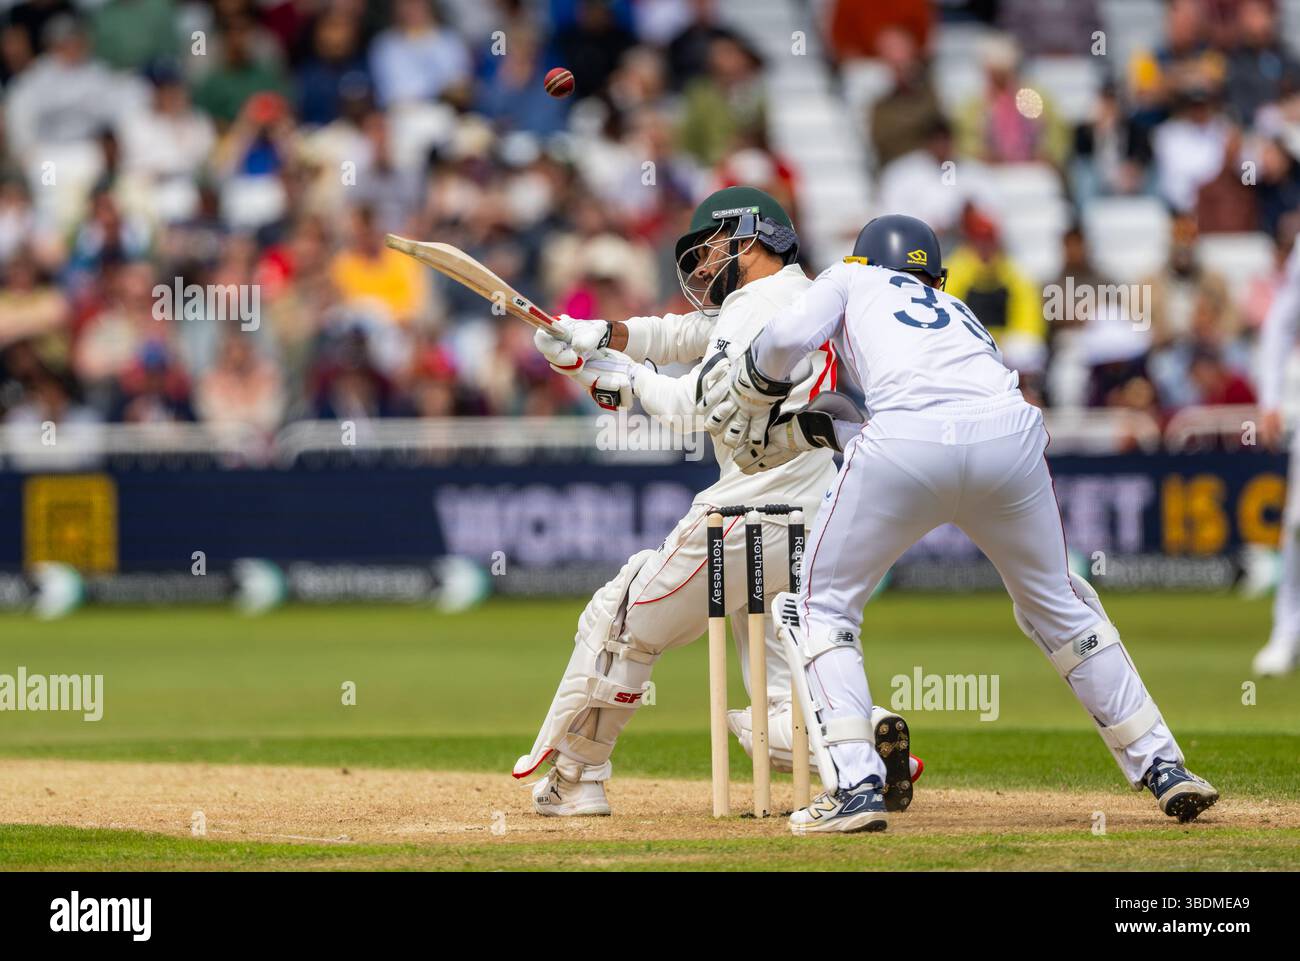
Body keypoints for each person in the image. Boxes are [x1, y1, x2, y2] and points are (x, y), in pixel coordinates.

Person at [700, 214, 1219, 833]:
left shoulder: (851, 278)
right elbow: (930, 399)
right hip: (1011, 437)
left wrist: (752, 390)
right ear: (933, 273)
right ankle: (1164, 765)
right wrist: (834, 425)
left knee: (821, 608)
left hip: (907, 440)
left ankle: (856, 787)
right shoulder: (956, 309)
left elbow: (783, 341)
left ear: (867, 260)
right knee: (1060, 603)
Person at [515, 187, 924, 815]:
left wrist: (615, 381)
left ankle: (576, 779)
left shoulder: (757, 303)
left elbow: (696, 409)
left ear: (753, 238)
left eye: (712, 248)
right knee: (781, 703)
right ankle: (864, 738)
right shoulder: (798, 296)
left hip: (745, 512)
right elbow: (683, 335)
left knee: (620, 619)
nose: (703, 264)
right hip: (815, 512)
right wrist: (597, 333)